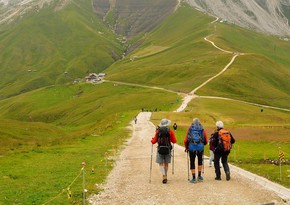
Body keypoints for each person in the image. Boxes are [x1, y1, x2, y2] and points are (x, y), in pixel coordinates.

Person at [151, 118, 177, 184]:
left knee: (161, 163)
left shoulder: (158, 131)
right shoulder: (170, 131)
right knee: (166, 163)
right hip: (168, 149)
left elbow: (154, 141)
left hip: (160, 149)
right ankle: (165, 175)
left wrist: (152, 140)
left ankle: (163, 175)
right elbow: (174, 141)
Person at [184, 118, 208, 183]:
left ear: (193, 122)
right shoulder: (202, 129)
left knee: (192, 161)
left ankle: (194, 178)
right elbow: (205, 140)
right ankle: (199, 176)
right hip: (200, 148)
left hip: (191, 148)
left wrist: (186, 148)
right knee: (200, 161)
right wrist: (203, 144)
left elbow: (186, 140)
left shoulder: (190, 129)